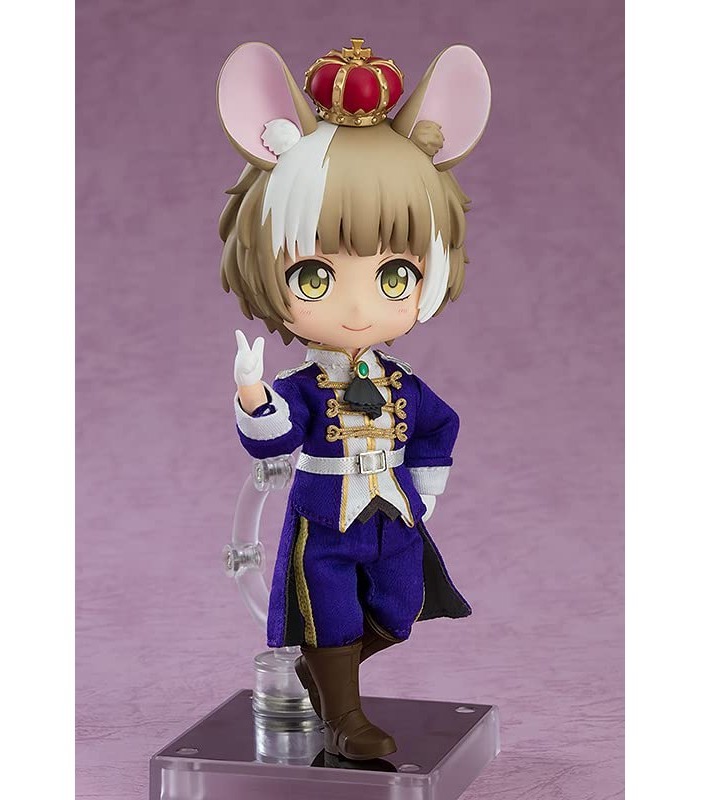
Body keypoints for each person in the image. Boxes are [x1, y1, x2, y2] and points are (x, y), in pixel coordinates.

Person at [216, 38, 491, 760]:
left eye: (395, 277)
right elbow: (277, 433)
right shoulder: (306, 385)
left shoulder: (402, 382)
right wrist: (253, 393)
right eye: (315, 277)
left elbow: (438, 426)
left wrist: (424, 489)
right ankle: (346, 716)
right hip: (324, 519)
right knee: (330, 613)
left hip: (393, 511)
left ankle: (326, 675)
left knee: (400, 607)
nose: (360, 308)